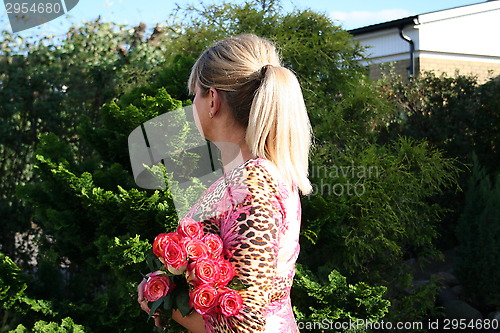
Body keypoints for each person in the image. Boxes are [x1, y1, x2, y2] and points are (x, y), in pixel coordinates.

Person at [138, 33, 312, 333]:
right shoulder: (257, 175)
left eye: (196, 93)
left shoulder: (251, 187)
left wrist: (164, 306)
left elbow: (244, 326)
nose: (192, 103)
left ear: (213, 100)